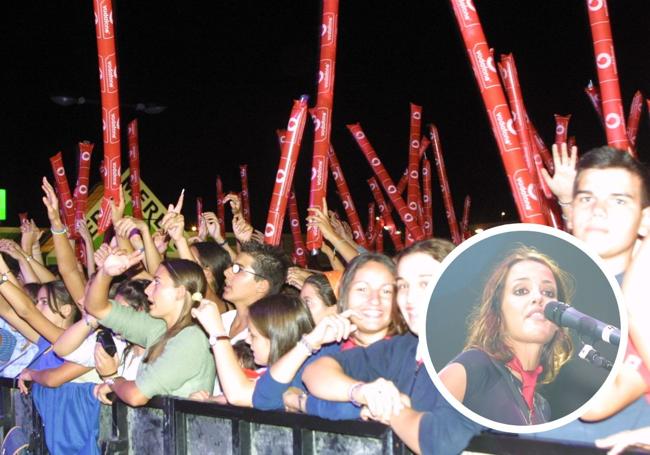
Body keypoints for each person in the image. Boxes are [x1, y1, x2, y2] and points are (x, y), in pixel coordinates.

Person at [303, 239, 482, 454]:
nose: (410, 297)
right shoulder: (406, 348)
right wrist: (361, 392)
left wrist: (391, 408)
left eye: (425, 283)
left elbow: (438, 442)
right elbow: (316, 371)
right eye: (403, 286)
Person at [438, 245, 573, 425]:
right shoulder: (474, 368)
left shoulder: (542, 407)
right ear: (498, 310)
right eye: (521, 291)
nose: (538, 298)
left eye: (548, 293)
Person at [87, 249, 215, 406]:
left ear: (180, 292)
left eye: (157, 282)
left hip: (180, 430)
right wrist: (105, 273)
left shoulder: (191, 338)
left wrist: (114, 380)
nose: (147, 290)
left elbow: (136, 396)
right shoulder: (158, 327)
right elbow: (96, 308)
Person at [190, 293, 354, 409]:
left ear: (276, 338)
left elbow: (240, 395)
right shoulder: (274, 372)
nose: (247, 340)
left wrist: (217, 334)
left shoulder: (303, 369)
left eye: (253, 335)